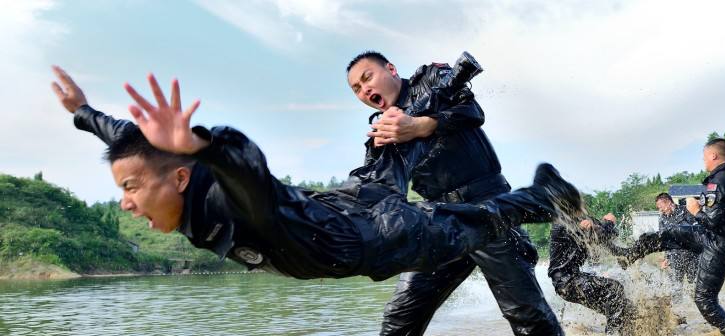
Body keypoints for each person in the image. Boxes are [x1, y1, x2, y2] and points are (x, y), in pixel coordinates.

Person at [50, 66, 583, 295]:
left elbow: (248, 169)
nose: (125, 203)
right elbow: (131, 142)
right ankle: (430, 110)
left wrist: (207, 142)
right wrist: (83, 112)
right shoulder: (172, 176)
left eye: (130, 189)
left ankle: (545, 194)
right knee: (386, 145)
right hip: (347, 200)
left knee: (476, 223)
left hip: (376, 238)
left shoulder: (233, 203)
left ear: (183, 176)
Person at [345, 51, 584, 336]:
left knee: (525, 312)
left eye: (367, 77)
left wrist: (421, 125)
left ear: (391, 70)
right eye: (356, 89)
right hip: (438, 221)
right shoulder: (380, 132)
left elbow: (472, 112)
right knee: (401, 315)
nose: (364, 89)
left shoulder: (432, 80)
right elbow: (379, 187)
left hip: (487, 204)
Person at [615, 138, 725, 336]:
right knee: (666, 234)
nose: (703, 160)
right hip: (715, 240)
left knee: (704, 300)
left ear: (713, 155)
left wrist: (695, 211)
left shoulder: (717, 183)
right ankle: (629, 256)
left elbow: (711, 222)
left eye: (704, 156)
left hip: (718, 249)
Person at [548, 213, 636, 336]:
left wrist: (609, 224)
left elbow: (608, 237)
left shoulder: (587, 221)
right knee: (614, 288)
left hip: (576, 279)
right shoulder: (562, 224)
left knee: (626, 307)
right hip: (566, 282)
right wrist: (607, 223)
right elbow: (595, 231)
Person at [655, 193, 699, 303]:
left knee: (695, 284)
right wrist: (665, 258)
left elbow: (697, 229)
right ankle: (678, 311)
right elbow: (664, 240)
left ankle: (700, 307)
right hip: (674, 256)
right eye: (659, 208)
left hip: (692, 254)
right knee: (675, 286)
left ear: (669, 203)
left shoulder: (686, 210)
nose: (661, 210)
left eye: (661, 207)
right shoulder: (662, 219)